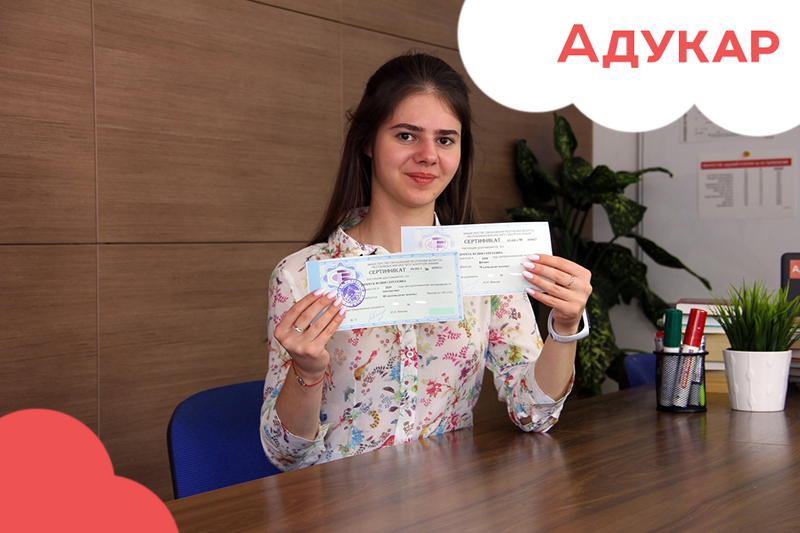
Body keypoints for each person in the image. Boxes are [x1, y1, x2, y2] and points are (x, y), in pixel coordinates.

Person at [260, 52, 592, 471]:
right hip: (340, 501)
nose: (428, 155)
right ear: (367, 142)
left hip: (453, 500)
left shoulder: (483, 267)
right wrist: (307, 373)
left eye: (445, 140)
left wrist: (565, 328)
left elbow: (534, 414)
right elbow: (285, 456)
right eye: (406, 136)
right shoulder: (299, 277)